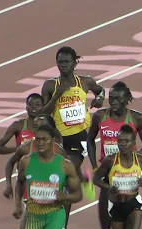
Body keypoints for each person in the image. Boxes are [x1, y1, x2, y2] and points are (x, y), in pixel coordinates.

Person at [87, 81, 142, 229]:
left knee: (123, 212)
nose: (113, 102)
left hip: (127, 174)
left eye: (118, 98)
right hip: (107, 173)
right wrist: (94, 165)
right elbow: (90, 140)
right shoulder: (100, 116)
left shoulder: (137, 119)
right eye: (111, 98)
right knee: (105, 224)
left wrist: (133, 159)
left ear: (127, 100)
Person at [3, 114, 70, 229]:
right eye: (36, 128)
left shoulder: (59, 152)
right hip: (32, 200)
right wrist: (9, 187)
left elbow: (69, 178)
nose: (37, 131)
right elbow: (11, 164)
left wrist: (64, 196)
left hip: (54, 206)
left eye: (41, 128)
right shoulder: (27, 148)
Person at [40, 46, 105, 200]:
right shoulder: (50, 85)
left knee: (66, 170)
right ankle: (84, 179)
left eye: (67, 62)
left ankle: (68, 197)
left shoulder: (85, 82)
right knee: (67, 171)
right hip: (59, 137)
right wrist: (57, 95)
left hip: (80, 135)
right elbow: (44, 112)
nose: (63, 65)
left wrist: (100, 99)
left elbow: (100, 90)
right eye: (60, 62)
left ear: (74, 63)